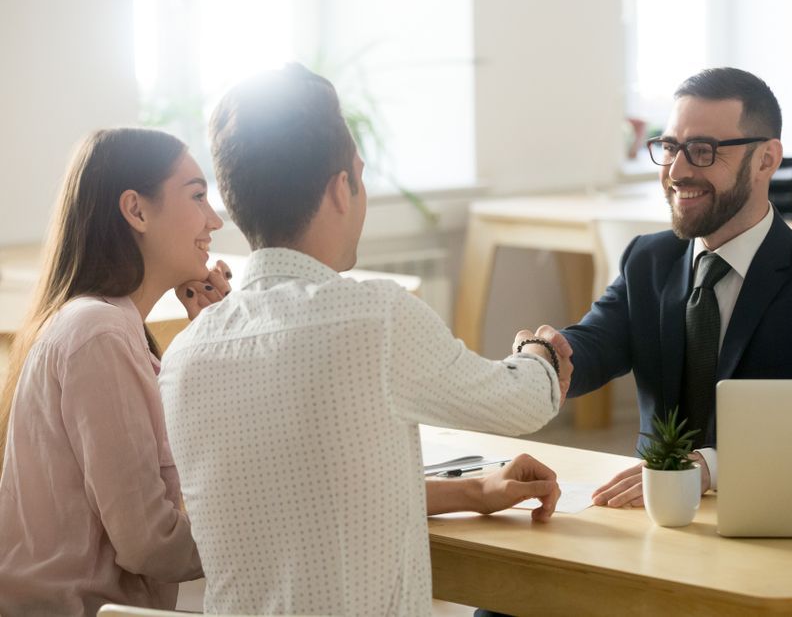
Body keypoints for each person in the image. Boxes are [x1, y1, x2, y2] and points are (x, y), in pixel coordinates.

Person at [159, 63, 571, 616]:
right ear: (340, 189)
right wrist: (538, 352)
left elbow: (305, 500)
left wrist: (475, 490)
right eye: (360, 173)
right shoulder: (374, 316)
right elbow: (525, 401)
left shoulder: (183, 358)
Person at [528, 67, 792, 508]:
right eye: (671, 147)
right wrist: (543, 357)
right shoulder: (648, 260)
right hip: (650, 512)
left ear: (766, 160)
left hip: (775, 512)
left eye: (702, 151)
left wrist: (708, 469)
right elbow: (597, 341)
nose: (676, 170)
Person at [0, 128, 233, 616]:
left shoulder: (106, 326)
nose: (214, 220)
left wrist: (212, 342)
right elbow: (150, 543)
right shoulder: (99, 335)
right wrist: (268, 534)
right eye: (197, 196)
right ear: (136, 210)